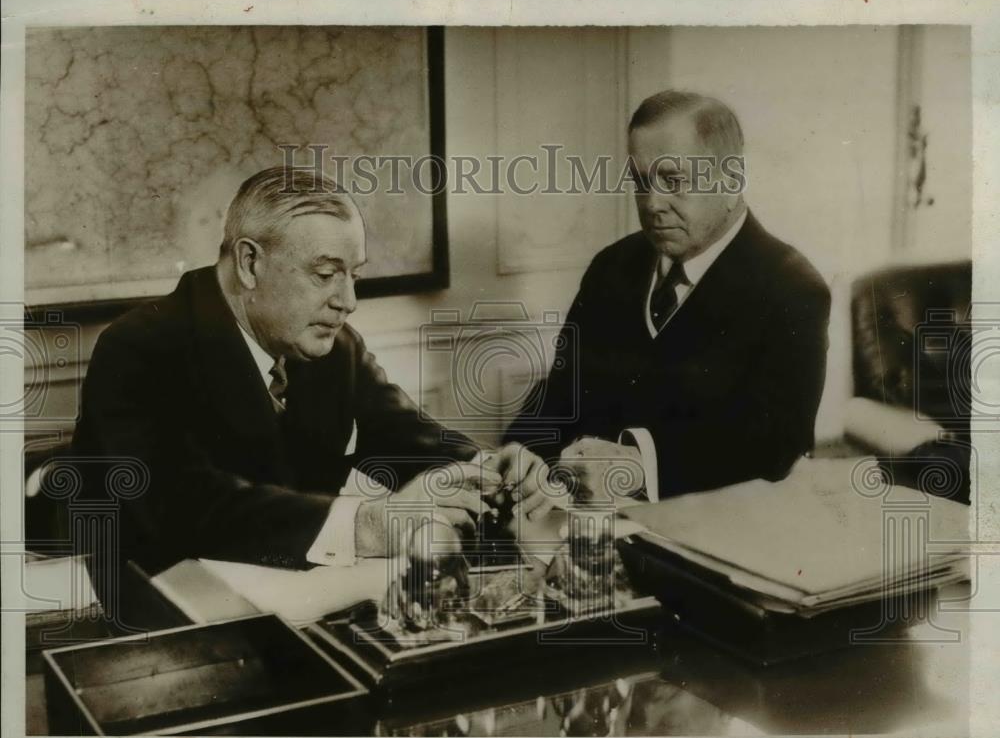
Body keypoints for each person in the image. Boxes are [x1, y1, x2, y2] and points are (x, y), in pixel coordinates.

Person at [72, 166, 554, 579]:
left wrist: (487, 472)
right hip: (165, 619)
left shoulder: (334, 345)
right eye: (325, 275)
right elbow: (183, 506)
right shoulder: (138, 348)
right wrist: (372, 525)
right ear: (249, 263)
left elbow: (406, 436)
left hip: (299, 599)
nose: (348, 301)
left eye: (354, 276)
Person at [505, 90, 832, 502]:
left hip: (719, 531)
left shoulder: (792, 288)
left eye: (673, 181)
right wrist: (518, 452)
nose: (652, 204)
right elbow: (561, 393)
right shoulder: (612, 267)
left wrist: (640, 466)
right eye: (641, 182)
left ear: (731, 181)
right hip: (592, 523)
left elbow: (776, 446)